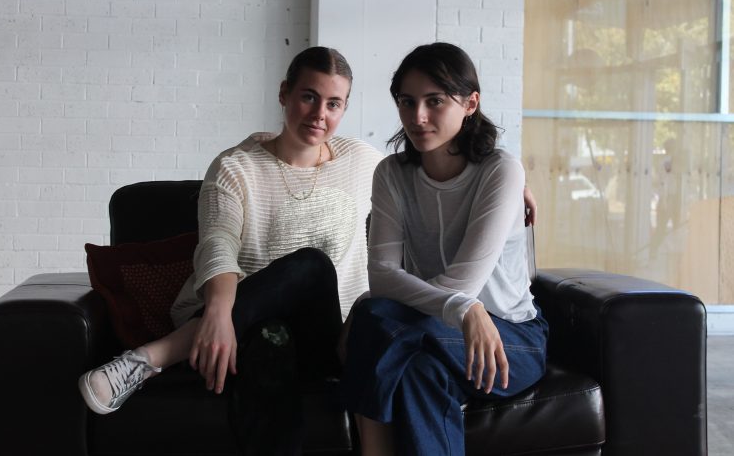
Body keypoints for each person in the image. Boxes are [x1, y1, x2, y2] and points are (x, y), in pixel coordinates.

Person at [78, 46, 384, 454]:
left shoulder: (364, 163)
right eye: (309, 97)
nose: (319, 115)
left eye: (334, 104)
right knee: (268, 347)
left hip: (324, 335)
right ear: (284, 94)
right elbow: (218, 243)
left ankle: (153, 357)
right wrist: (219, 315)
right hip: (243, 327)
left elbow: (416, 200)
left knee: (313, 267)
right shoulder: (235, 166)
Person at [341, 42, 549, 455]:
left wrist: (461, 305)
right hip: (442, 334)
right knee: (419, 371)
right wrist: (464, 309)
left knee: (372, 315)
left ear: (470, 103)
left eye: (435, 101)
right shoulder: (391, 174)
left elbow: (462, 283)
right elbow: (382, 274)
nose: (418, 117)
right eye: (407, 102)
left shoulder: (500, 170)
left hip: (511, 338)